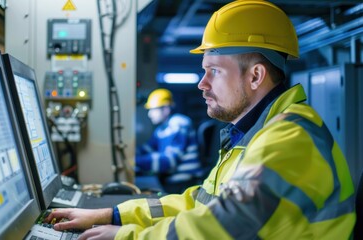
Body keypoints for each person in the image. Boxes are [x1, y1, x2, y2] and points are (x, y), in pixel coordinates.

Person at [45, 1, 356, 239]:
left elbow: (222, 226)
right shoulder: (250, 135)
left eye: (214, 71)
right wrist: (112, 215)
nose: (201, 83)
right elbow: (199, 204)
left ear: (256, 76)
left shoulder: (289, 137)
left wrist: (127, 236)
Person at [135, 88, 201, 193]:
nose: (149, 114)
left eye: (153, 110)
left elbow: (170, 160)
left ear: (166, 109)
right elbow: (146, 149)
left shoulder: (178, 123)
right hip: (172, 182)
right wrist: (130, 155)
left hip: (184, 184)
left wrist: (135, 162)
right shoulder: (161, 129)